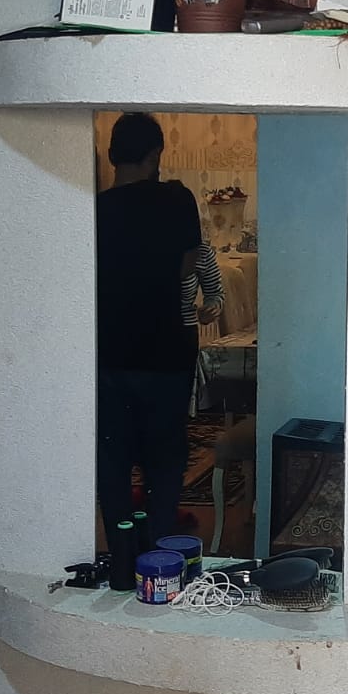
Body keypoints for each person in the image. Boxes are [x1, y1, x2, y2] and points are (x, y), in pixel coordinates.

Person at [96, 113, 203, 539]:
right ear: (155, 154)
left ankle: (120, 553)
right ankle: (161, 551)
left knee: (113, 460)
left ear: (112, 155)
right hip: (165, 349)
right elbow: (187, 268)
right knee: (165, 459)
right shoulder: (177, 200)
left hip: (109, 350)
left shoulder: (95, 208)